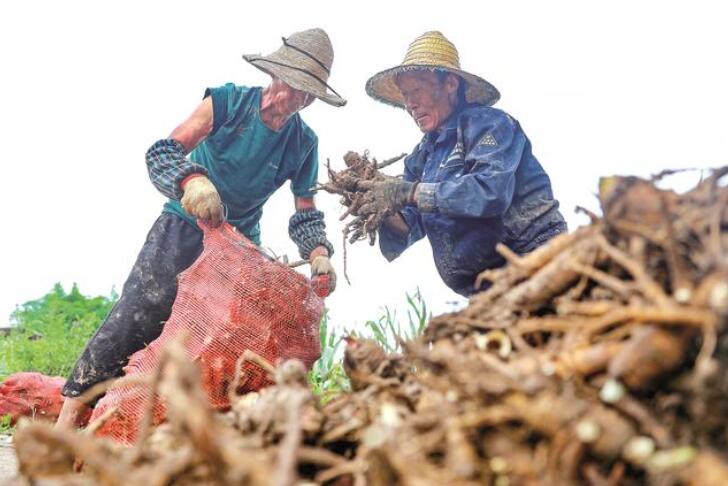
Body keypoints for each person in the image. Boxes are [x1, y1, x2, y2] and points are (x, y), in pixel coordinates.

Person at [55, 28, 344, 428]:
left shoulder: (303, 142)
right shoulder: (227, 102)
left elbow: (306, 211)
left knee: (225, 341)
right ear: (275, 75)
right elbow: (165, 150)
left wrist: (319, 254)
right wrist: (193, 181)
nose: (296, 100)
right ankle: (71, 415)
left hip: (235, 248)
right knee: (138, 315)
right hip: (182, 225)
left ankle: (173, 428)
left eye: (308, 94)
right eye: (293, 87)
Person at [360, 31, 567, 296]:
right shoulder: (421, 158)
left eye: (417, 90)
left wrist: (411, 192)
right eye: (405, 94)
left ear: (450, 84)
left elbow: (490, 191)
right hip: (488, 290)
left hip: (539, 265)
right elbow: (408, 225)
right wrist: (378, 203)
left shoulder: (489, 125)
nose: (410, 104)